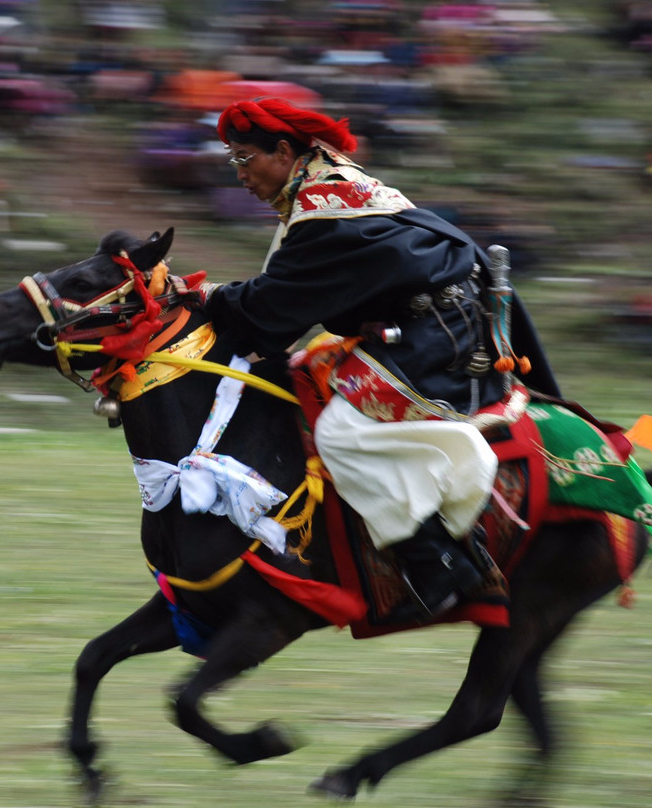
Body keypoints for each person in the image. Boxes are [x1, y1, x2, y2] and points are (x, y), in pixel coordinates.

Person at [201, 97, 561, 620]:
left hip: (442, 333)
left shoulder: (325, 208)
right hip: (429, 322)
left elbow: (273, 303)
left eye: (243, 158)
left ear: (282, 151)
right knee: (311, 375)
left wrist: (207, 295)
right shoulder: (328, 189)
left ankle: (438, 560)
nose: (239, 174)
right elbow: (318, 292)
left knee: (340, 431)